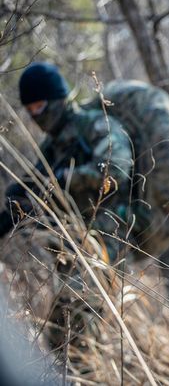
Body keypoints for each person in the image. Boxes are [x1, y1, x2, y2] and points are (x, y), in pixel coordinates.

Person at [0, 62, 133, 260]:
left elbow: (116, 170)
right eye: (31, 110)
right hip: (69, 245)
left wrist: (66, 178)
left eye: (40, 106)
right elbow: (37, 182)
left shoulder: (95, 125)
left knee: (83, 290)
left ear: (58, 99)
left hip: (107, 237)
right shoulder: (51, 147)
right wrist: (20, 199)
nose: (37, 115)